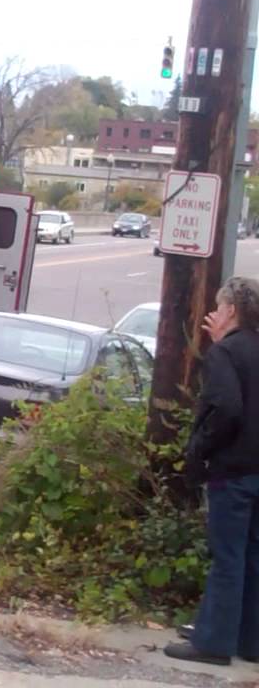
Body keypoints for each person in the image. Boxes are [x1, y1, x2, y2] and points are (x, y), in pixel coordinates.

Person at [164, 276, 259, 667]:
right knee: (254, 556)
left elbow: (226, 408)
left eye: (219, 307)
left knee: (228, 557)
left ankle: (214, 643)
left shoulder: (226, 353)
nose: (214, 314)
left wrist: (199, 449)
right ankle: (250, 642)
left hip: (232, 469)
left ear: (231, 311)